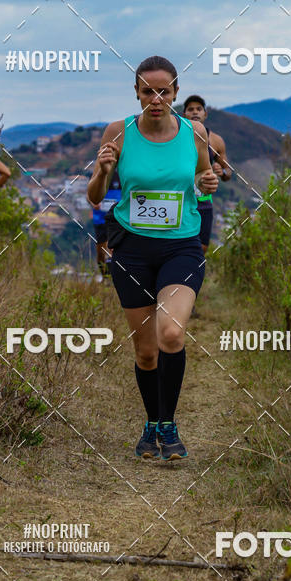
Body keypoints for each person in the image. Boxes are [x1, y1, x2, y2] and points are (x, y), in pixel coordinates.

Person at [87, 56, 218, 461]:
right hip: (132, 249)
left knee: (172, 335)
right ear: (137, 93)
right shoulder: (119, 132)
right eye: (148, 91)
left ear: (176, 93)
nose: (156, 99)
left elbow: (202, 184)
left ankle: (169, 423)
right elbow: (94, 197)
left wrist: (207, 182)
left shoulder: (194, 133)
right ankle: (152, 424)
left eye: (164, 91)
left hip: (181, 246)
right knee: (145, 351)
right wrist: (103, 171)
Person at [182, 94, 231, 254]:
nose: (195, 112)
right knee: (178, 244)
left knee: (201, 247)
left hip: (203, 201)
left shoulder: (216, 141)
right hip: (180, 201)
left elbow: (228, 172)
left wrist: (221, 171)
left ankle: (193, 277)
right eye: (190, 109)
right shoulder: (176, 136)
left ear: (205, 114)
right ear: (184, 114)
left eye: (198, 109)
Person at [90, 171, 122, 277]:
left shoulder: (123, 170)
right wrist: (93, 202)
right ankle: (104, 276)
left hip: (118, 218)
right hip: (100, 218)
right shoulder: (98, 171)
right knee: (101, 251)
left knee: (116, 248)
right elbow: (89, 194)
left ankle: (117, 275)